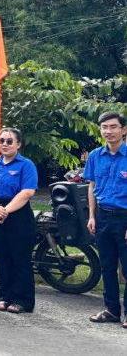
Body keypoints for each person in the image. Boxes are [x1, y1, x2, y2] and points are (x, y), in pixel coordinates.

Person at [0, 127, 37, 314]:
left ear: (18, 144)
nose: (4, 144)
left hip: (18, 214)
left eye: (9, 141)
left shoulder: (26, 165)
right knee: (2, 257)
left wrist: (6, 210)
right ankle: (4, 296)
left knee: (20, 259)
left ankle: (22, 300)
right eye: (2, 141)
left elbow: (27, 192)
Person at [85, 112, 127, 328]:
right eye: (104, 127)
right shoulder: (95, 156)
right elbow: (92, 186)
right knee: (107, 266)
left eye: (113, 127)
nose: (108, 131)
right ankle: (112, 310)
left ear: (123, 130)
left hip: (124, 218)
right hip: (102, 216)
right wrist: (92, 216)